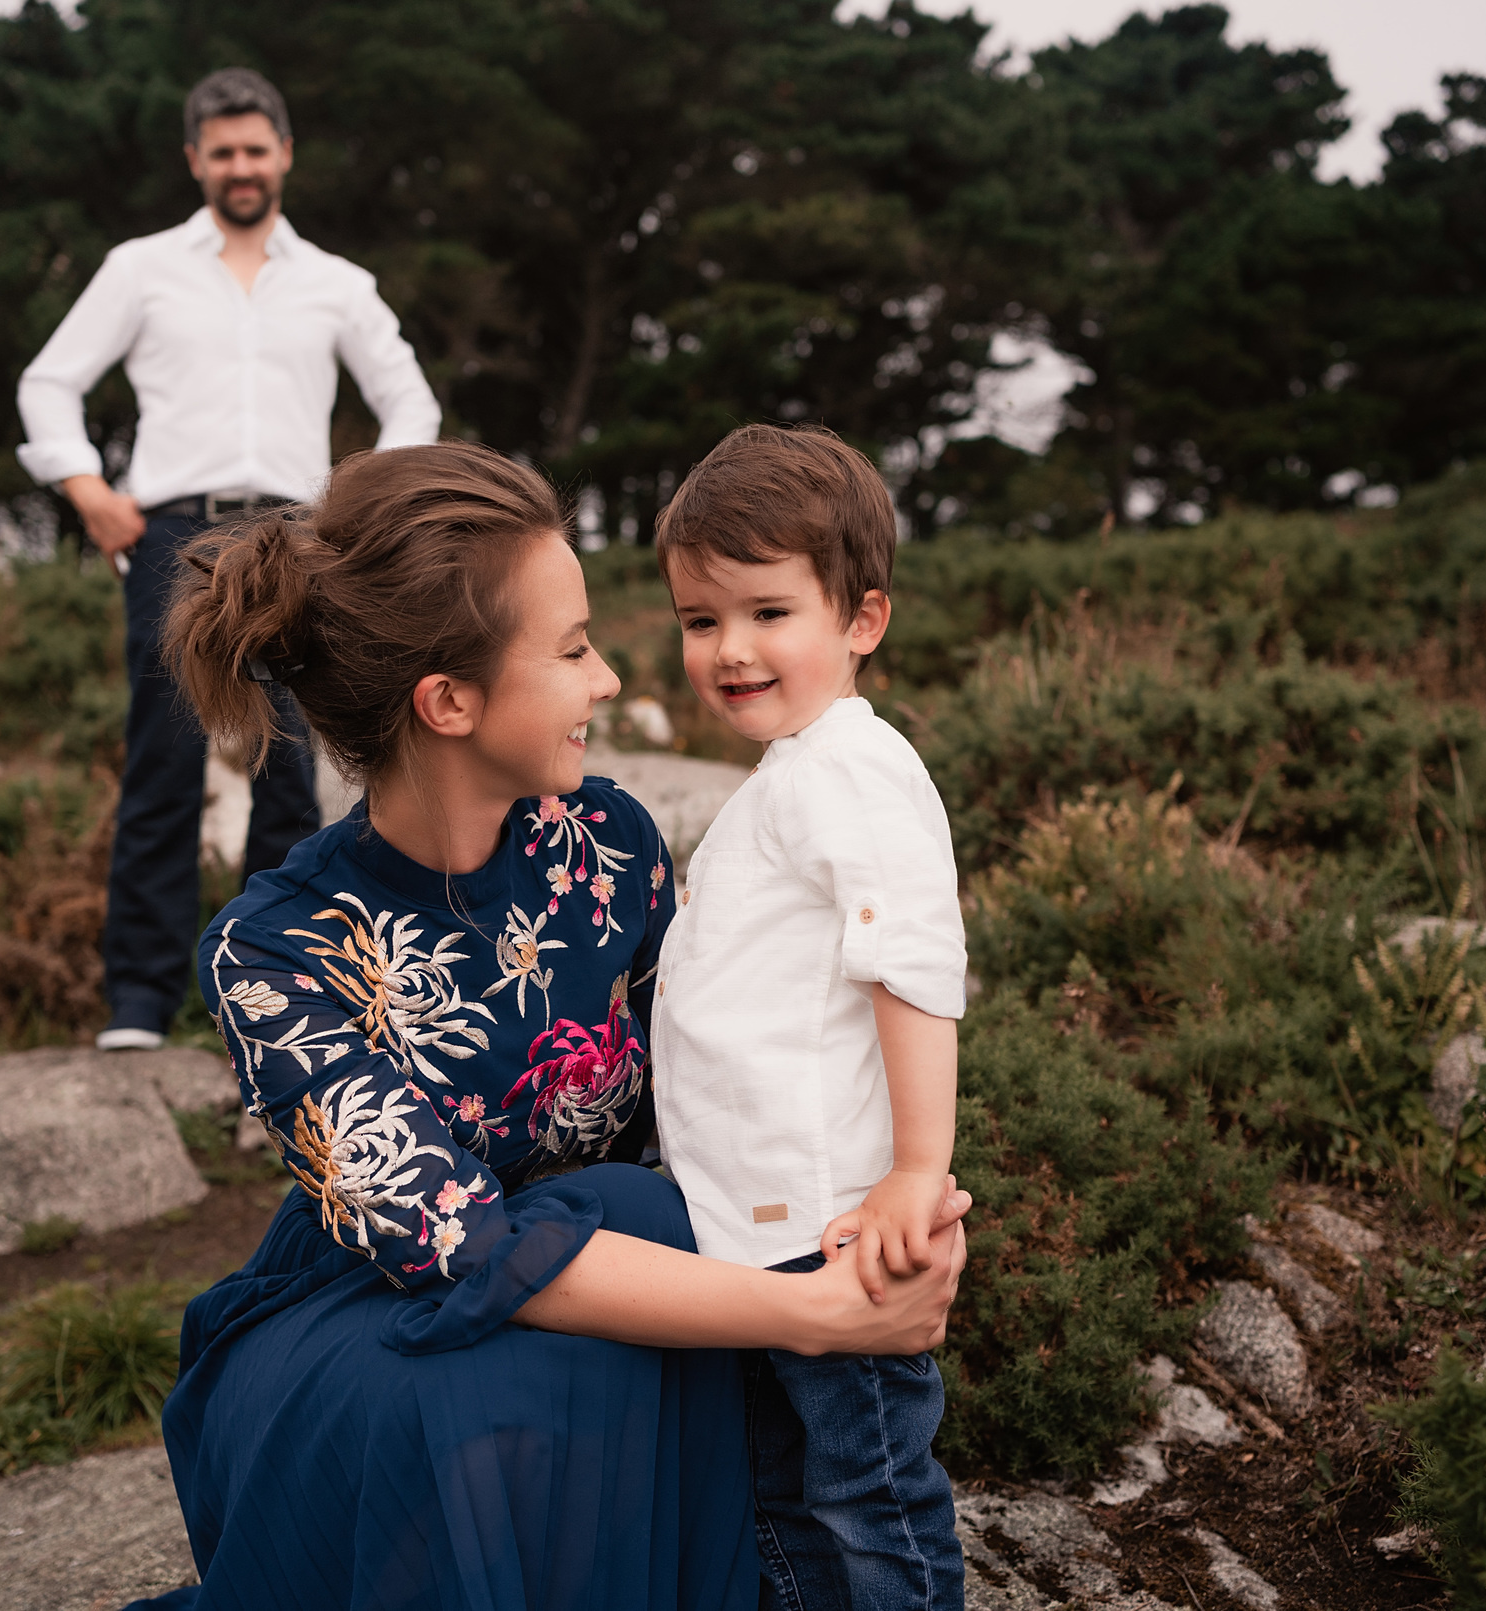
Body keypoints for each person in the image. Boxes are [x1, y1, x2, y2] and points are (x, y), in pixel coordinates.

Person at [128, 441, 969, 1611]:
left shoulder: (608, 846)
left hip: (634, 1277)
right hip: (385, 1323)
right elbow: (459, 1249)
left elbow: (717, 1082)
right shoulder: (273, 954)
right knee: (490, 1362)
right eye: (573, 649)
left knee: (638, 1207)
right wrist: (817, 1313)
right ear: (450, 700)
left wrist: (885, 1215)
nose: (612, 680)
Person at [14, 66, 441, 1051]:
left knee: (286, 763)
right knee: (165, 758)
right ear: (194, 161)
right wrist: (87, 489)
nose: (240, 167)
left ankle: (281, 1004)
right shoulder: (140, 267)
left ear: (283, 154)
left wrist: (353, 500)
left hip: (297, 535)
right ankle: (139, 1003)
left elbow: (408, 400)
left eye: (256, 149)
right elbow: (49, 382)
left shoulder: (338, 283)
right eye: (222, 152)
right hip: (172, 534)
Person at [651, 425, 969, 1611]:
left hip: (835, 1225)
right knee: (779, 1498)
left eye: (767, 612)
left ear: (860, 620)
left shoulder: (850, 767)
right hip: (755, 1229)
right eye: (699, 620)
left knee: (866, 1494)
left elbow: (911, 964)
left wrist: (917, 1170)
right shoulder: (790, 770)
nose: (729, 649)